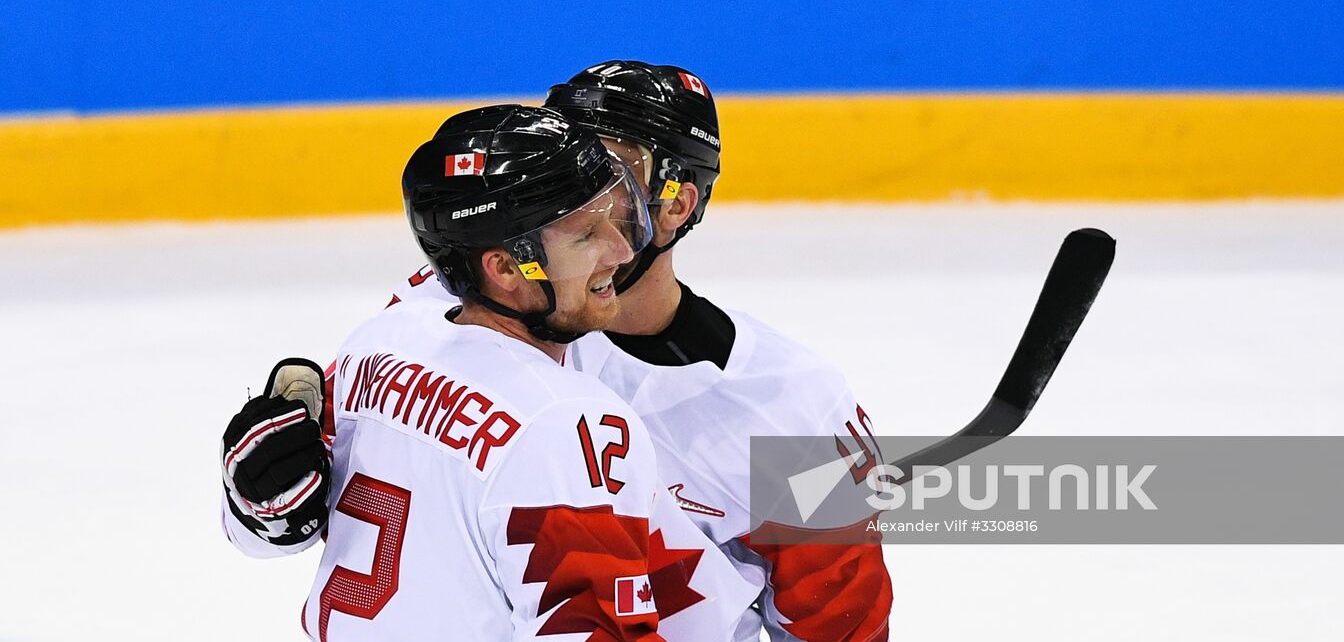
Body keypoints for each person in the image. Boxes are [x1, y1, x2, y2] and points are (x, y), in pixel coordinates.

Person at [224, 62, 893, 641]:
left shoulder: (795, 409)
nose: (581, 194)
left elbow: (844, 626)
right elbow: (316, 521)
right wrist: (264, 500)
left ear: (676, 204)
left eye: (611, 176)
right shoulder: (446, 314)